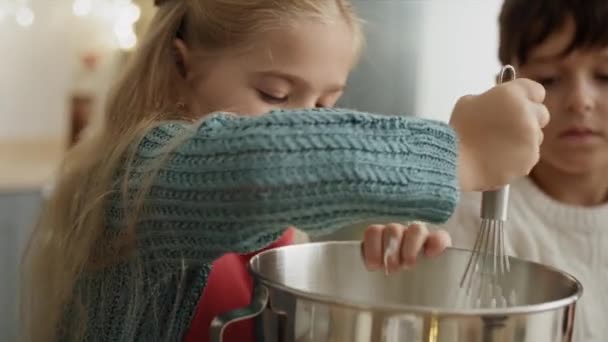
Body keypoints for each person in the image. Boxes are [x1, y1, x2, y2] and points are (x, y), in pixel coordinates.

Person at [20, 0, 548, 341]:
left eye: (324, 107)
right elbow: (260, 166)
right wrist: (458, 153)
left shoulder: (276, 229)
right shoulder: (141, 175)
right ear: (183, 66)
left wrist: (372, 257)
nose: (304, 124)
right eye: (275, 94)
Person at [441, 0, 608, 341]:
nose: (581, 100)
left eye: (605, 75)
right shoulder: (471, 217)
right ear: (509, 90)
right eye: (550, 79)